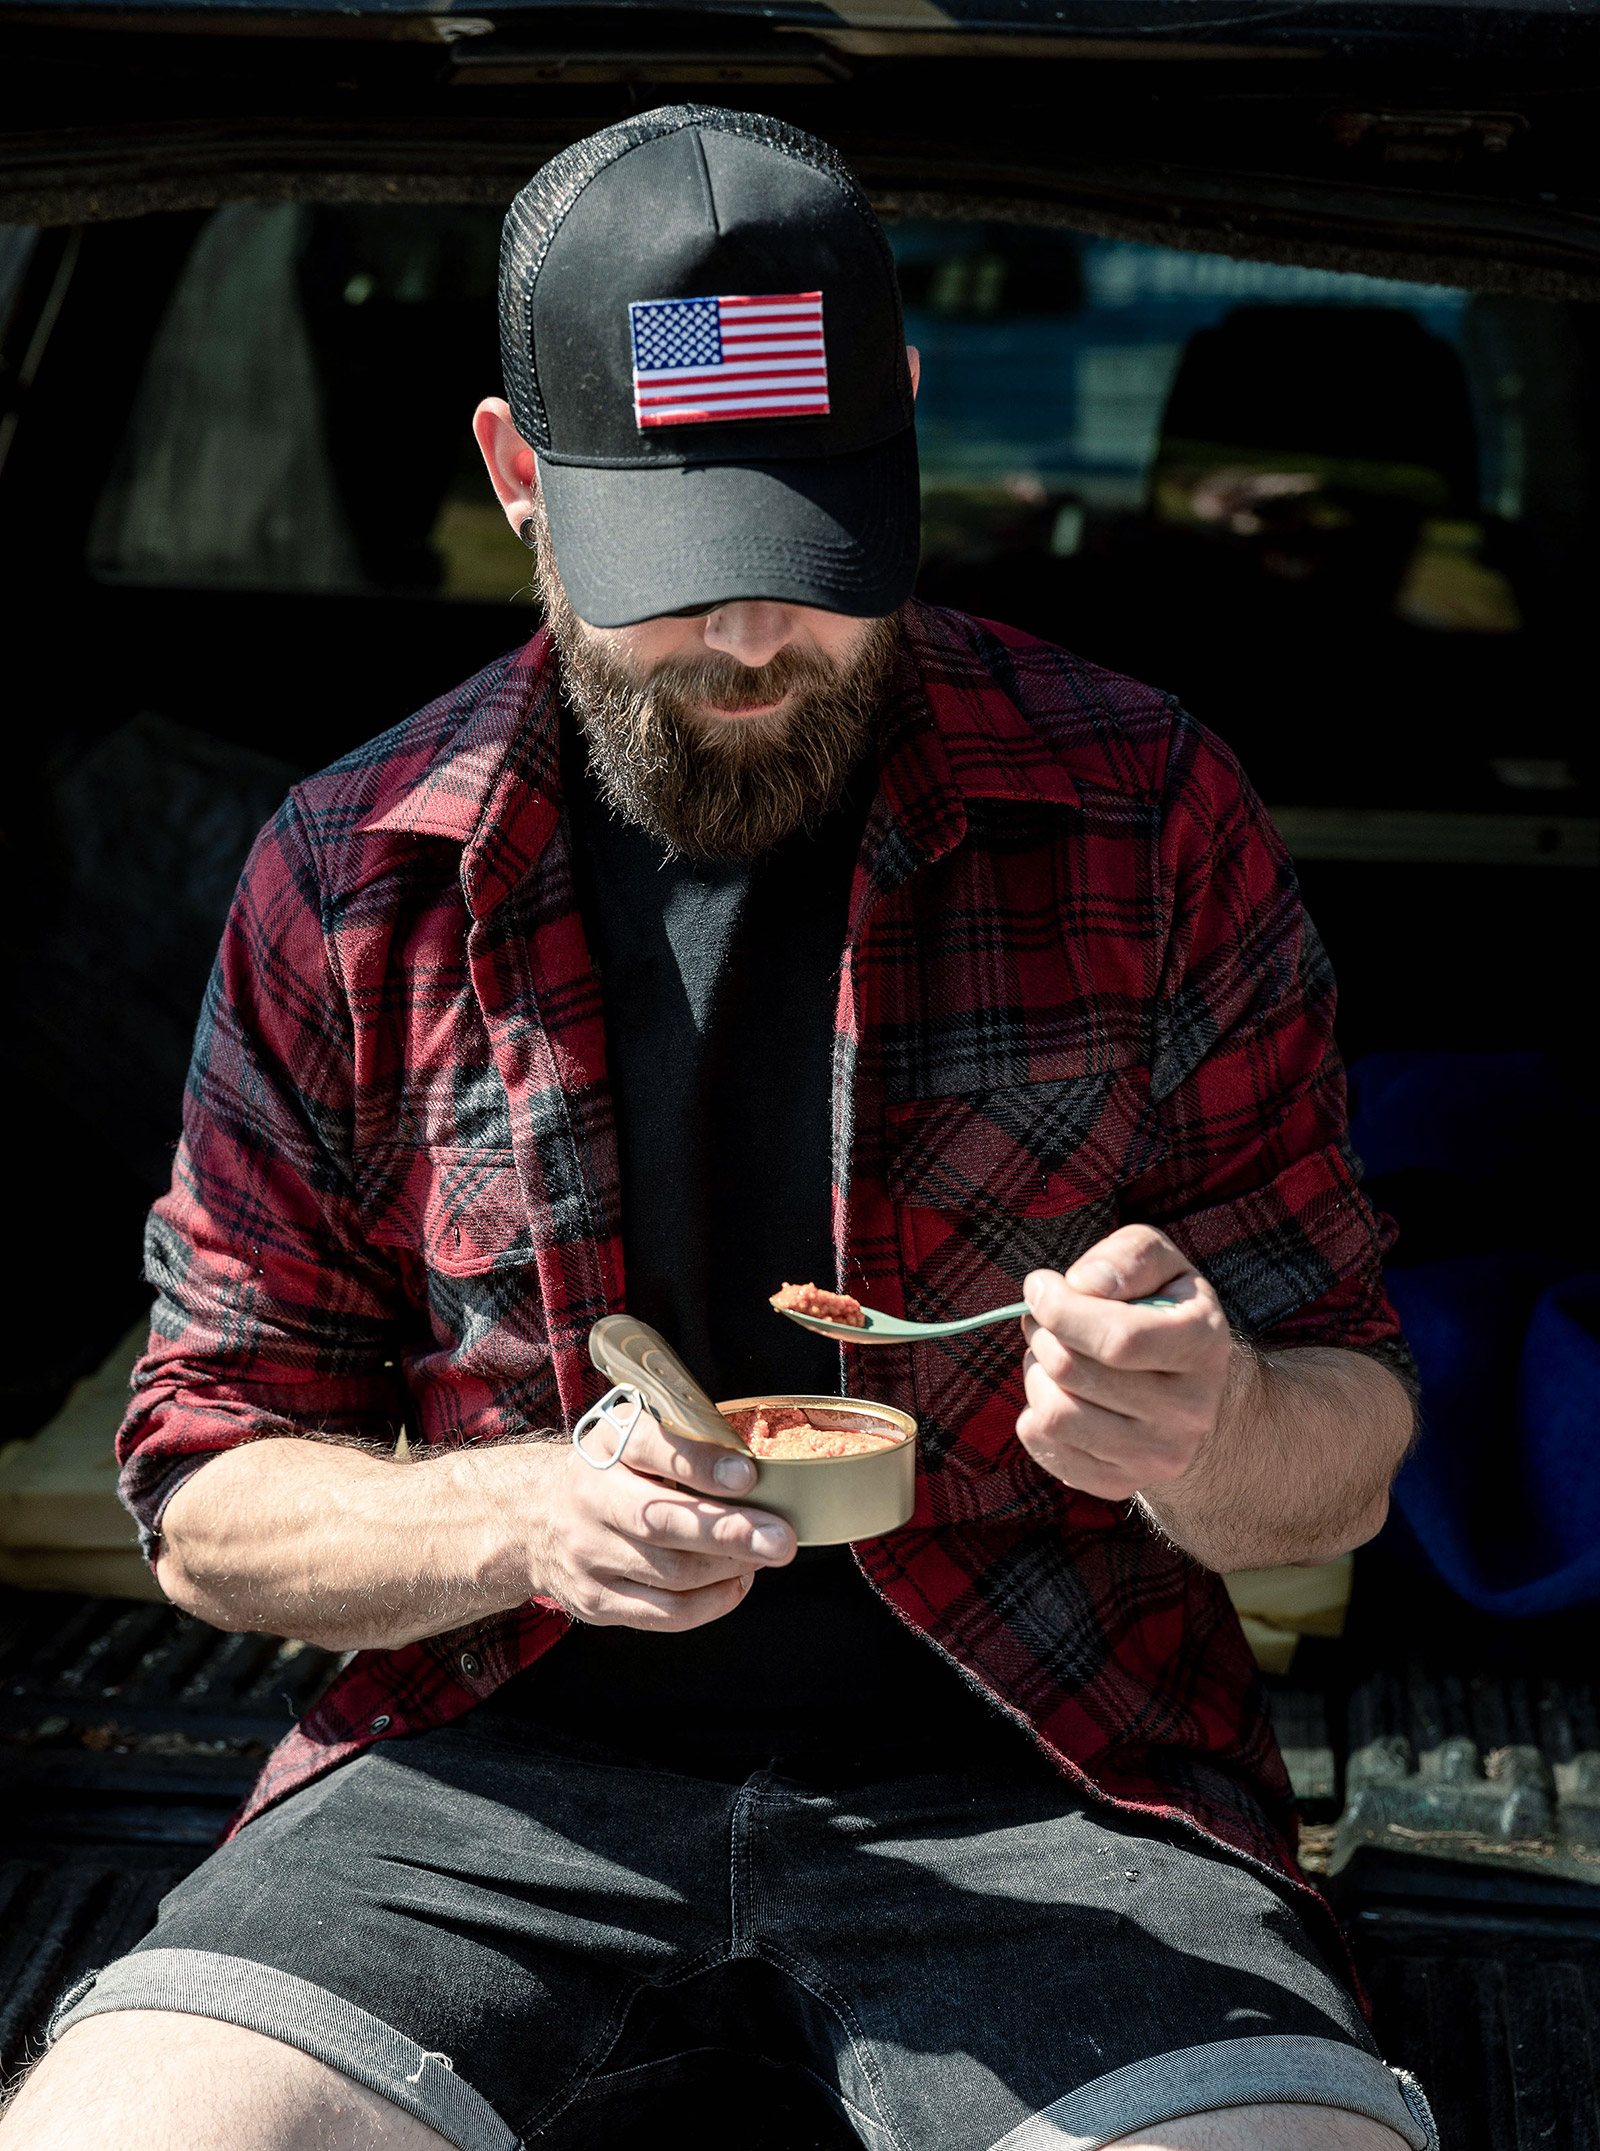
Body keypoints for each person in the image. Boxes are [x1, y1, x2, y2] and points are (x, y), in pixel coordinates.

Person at [3, 106, 1435, 2151]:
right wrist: (519, 1518)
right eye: (682, 576)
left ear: (905, 429)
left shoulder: (1140, 807)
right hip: (474, 1768)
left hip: (1048, 1767)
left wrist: (1209, 1427)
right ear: (517, 478)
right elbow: (207, 1487)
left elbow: (1346, 1456)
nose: (752, 638)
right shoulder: (349, 872)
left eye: (809, 556)